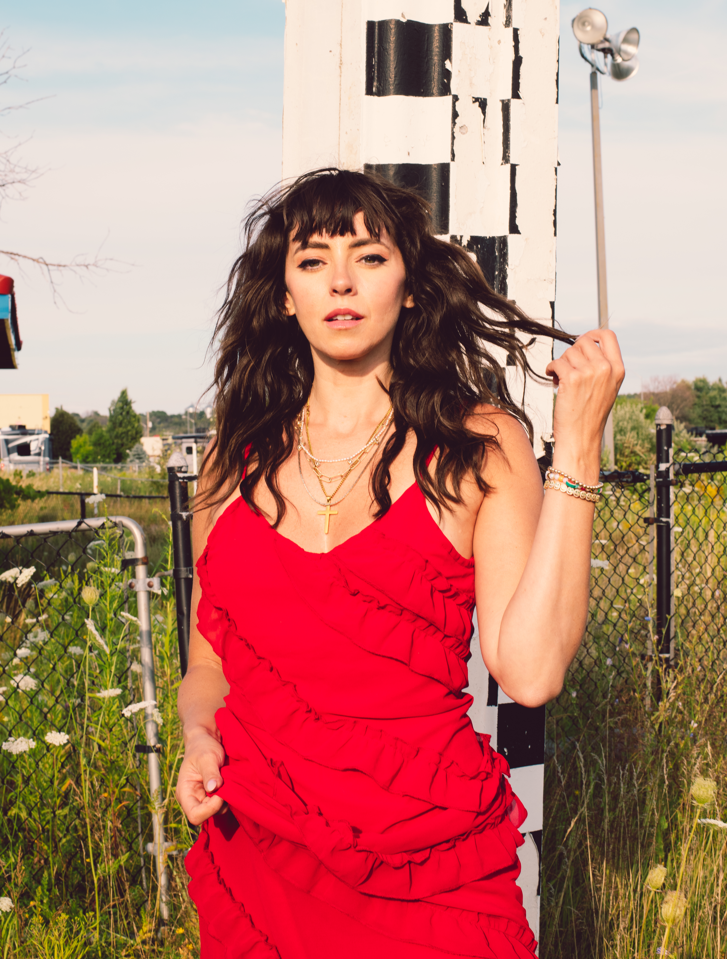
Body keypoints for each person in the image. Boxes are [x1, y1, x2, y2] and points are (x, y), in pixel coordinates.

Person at [175, 168, 624, 958]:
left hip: (431, 865)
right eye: (312, 260)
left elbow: (529, 672)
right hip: (263, 853)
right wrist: (195, 737)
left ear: (411, 286)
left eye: (369, 257)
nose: (340, 280)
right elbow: (207, 667)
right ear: (283, 293)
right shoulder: (227, 463)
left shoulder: (478, 446)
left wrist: (579, 440)